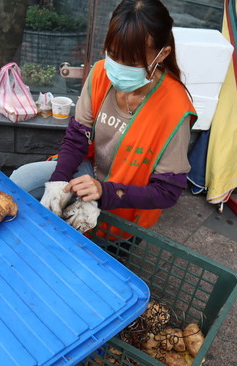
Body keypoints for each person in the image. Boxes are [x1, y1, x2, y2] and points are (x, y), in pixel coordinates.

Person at [10, 0, 196, 238]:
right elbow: (78, 137)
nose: (118, 67)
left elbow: (167, 191)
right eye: (113, 55)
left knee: (93, 251)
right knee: (20, 180)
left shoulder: (175, 109)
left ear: (162, 54)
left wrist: (105, 192)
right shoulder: (100, 73)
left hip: (127, 198)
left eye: (131, 62)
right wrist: (57, 185)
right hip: (89, 170)